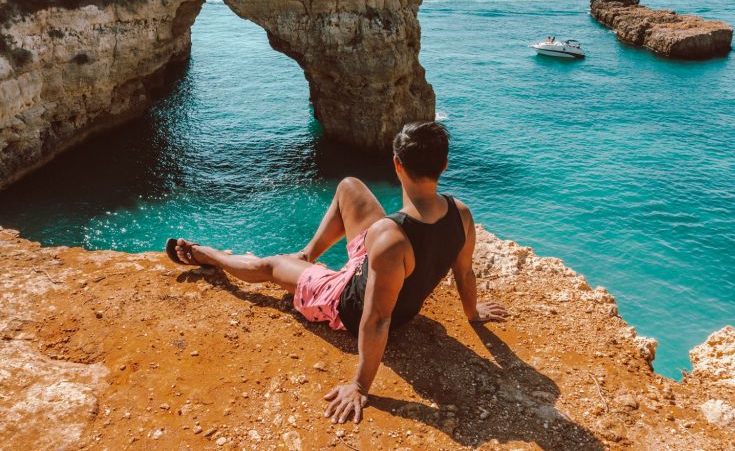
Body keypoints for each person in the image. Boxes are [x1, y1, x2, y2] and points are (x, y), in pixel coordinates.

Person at [167, 121, 509, 424]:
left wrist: (360, 386)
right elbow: (464, 273)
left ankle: (204, 254)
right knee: (349, 186)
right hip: (383, 265)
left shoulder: (389, 238)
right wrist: (472, 312)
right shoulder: (461, 214)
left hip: (345, 303)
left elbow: (377, 319)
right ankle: (305, 256)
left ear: (396, 164)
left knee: (269, 266)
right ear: (444, 165)